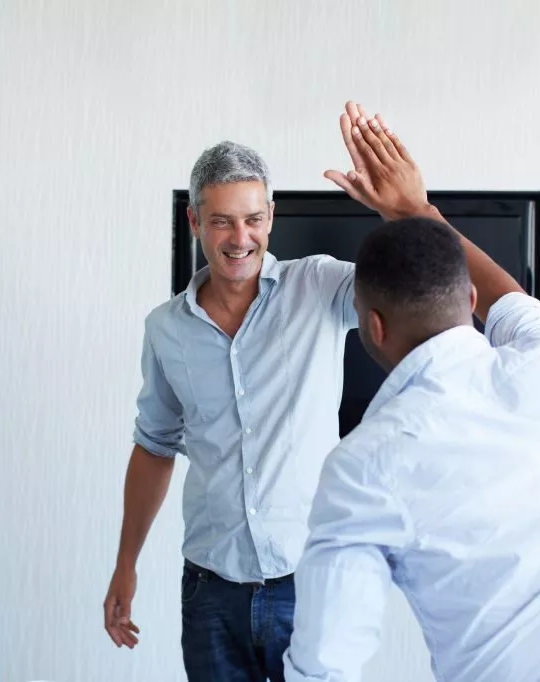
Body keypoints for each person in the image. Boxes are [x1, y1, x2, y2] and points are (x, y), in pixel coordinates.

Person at [281, 108, 540, 682]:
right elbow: (506, 294)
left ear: (373, 329)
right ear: (466, 298)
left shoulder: (364, 466)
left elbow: (324, 666)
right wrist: (415, 209)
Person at [103, 120, 367, 681]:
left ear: (271, 216)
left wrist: (402, 206)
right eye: (221, 220)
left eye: (252, 219)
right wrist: (126, 564)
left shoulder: (320, 287)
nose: (239, 238)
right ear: (195, 220)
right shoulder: (165, 329)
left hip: (310, 582)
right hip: (210, 592)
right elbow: (153, 448)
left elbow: (416, 283)